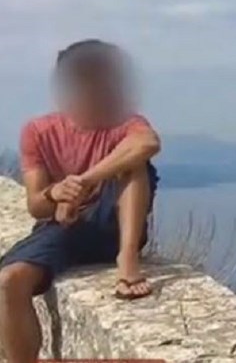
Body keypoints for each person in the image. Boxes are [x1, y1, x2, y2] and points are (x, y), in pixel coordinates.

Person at [0, 40, 161, 363]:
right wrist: (55, 194)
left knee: (136, 166)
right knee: (7, 282)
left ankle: (127, 260)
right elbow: (36, 205)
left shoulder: (126, 123)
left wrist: (85, 182)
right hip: (63, 228)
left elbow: (147, 144)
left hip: (114, 224)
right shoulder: (38, 132)